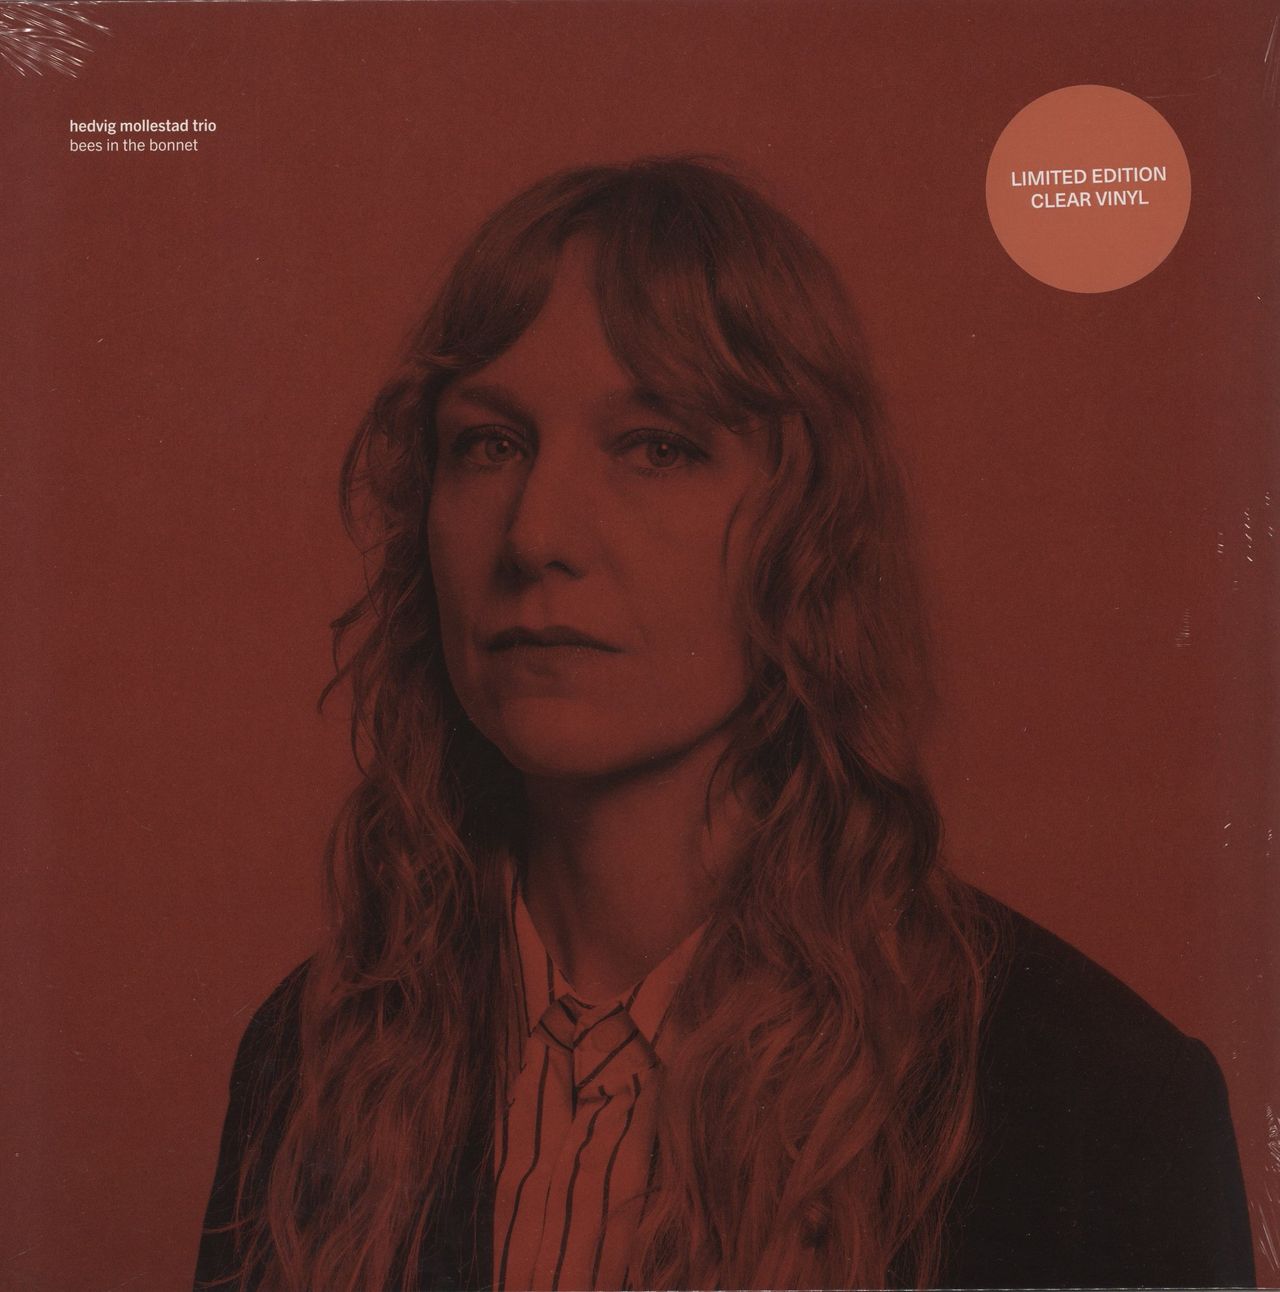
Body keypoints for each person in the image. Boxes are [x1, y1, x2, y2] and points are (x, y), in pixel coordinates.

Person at [194, 157, 1255, 1291]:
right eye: (490, 443)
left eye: (657, 445)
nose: (536, 534)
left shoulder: (1095, 1101)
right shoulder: (311, 1059)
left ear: (810, 528)